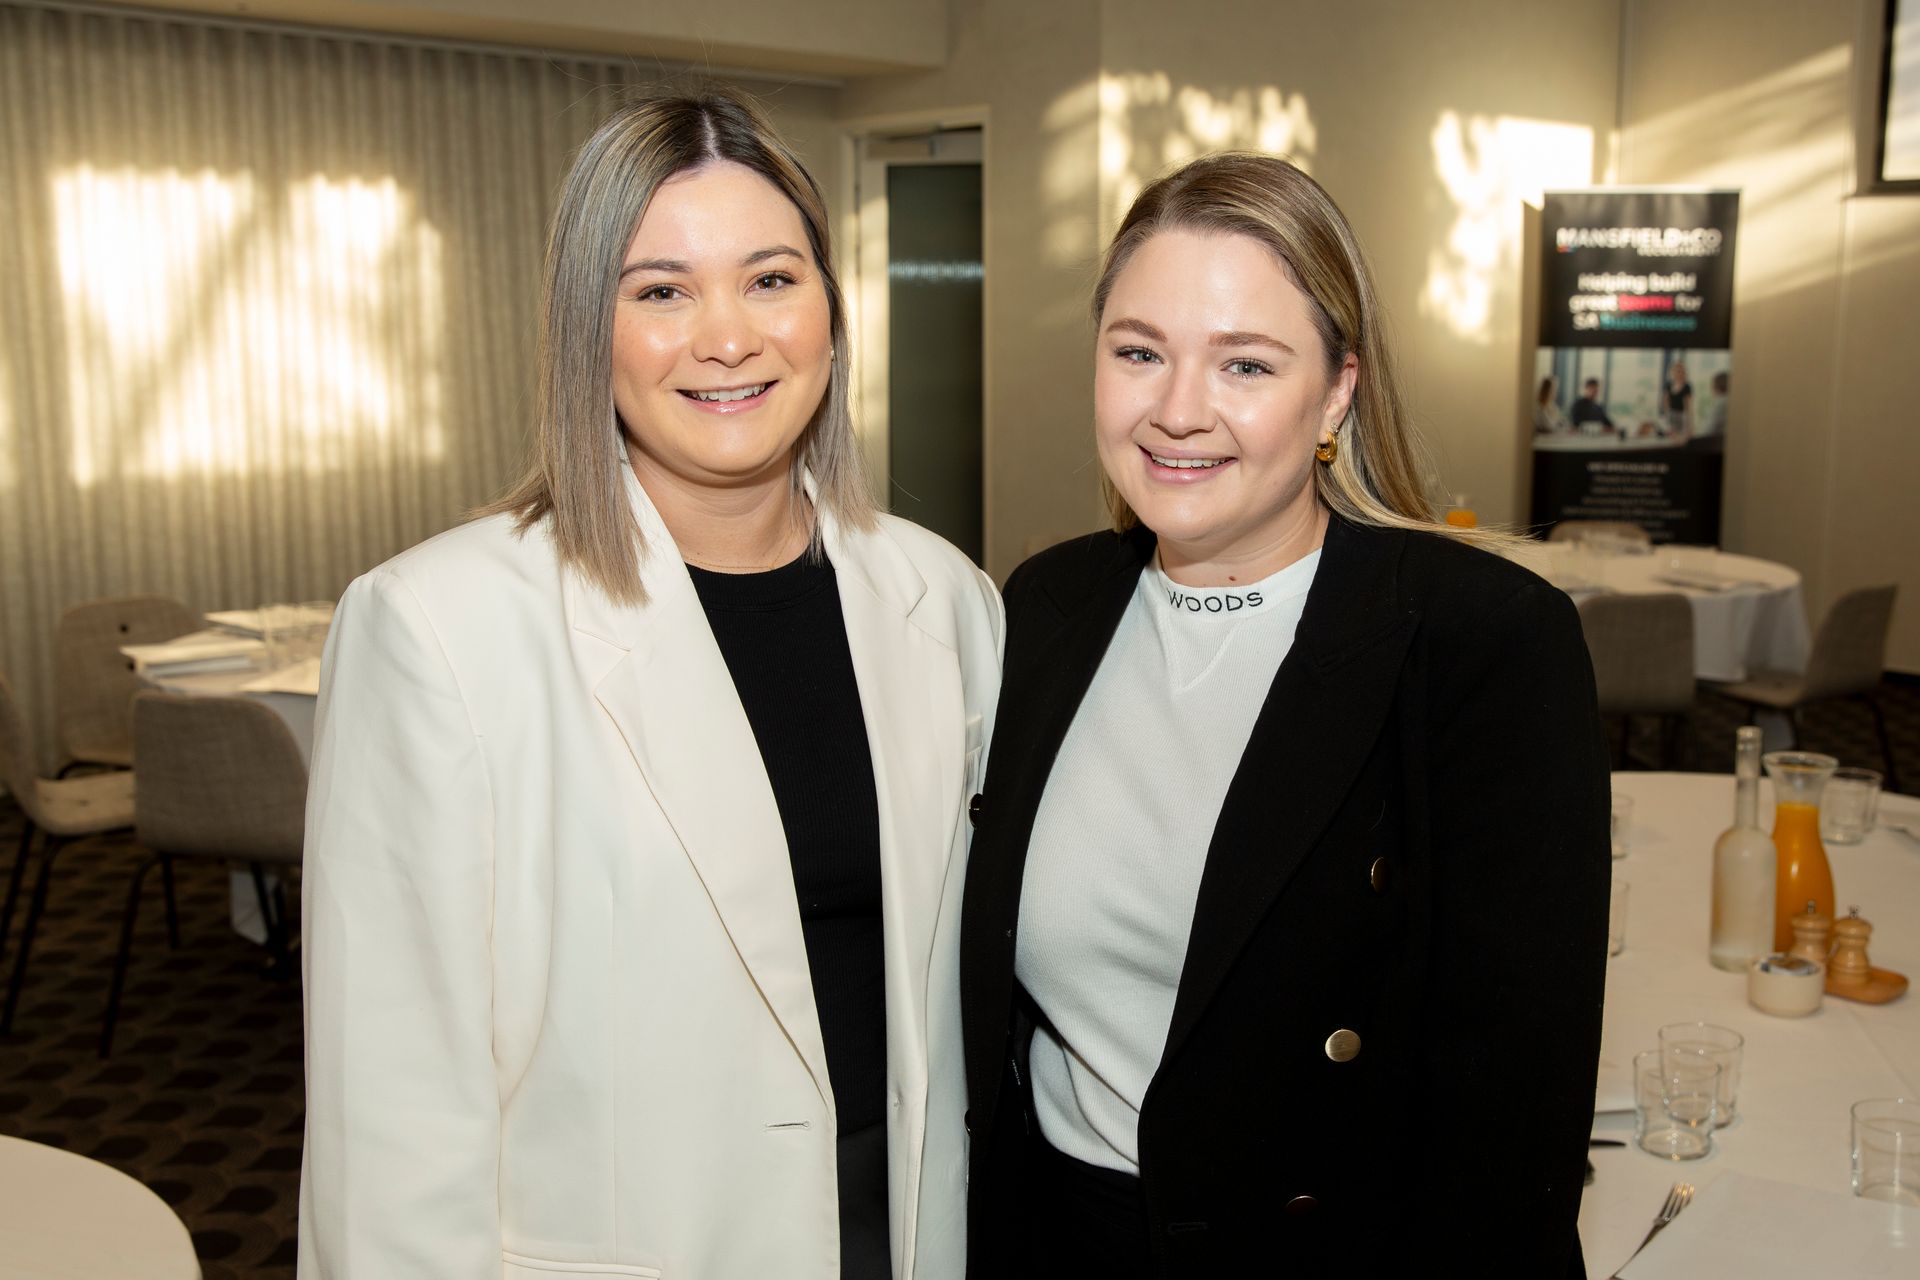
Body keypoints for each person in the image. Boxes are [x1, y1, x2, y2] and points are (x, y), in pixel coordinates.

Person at [300, 88, 1001, 1279]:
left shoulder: (946, 600)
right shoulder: (439, 627)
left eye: (772, 279)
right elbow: (395, 1108)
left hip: (907, 1229)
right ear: (589, 327)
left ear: (831, 311)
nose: (727, 336)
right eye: (662, 290)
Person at [959, 152, 1609, 1277]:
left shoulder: (1479, 641)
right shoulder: (1048, 606)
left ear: (1338, 391)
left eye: (1245, 364)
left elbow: (1513, 1126)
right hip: (1062, 1238)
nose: (1175, 411)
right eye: (1138, 351)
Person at [1662, 358, 1694, 438]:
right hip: (1671, 413)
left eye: (1680, 371)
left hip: (1681, 415)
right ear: (1672, 372)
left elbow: (1688, 405)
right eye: (1676, 371)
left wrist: (1689, 423)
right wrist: (1666, 415)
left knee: (1681, 435)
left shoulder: (1687, 386)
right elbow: (1665, 401)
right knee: (1671, 435)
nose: (1678, 373)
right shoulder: (1668, 385)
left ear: (1683, 372)